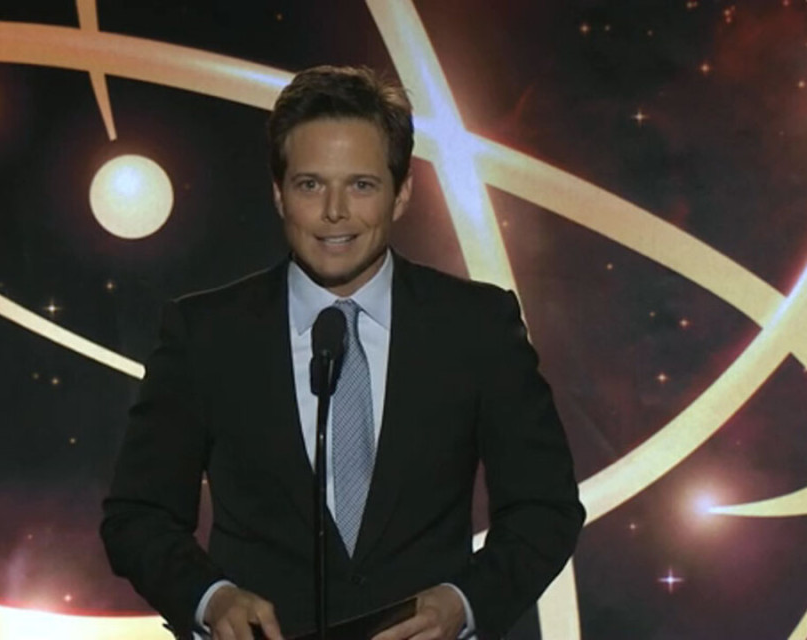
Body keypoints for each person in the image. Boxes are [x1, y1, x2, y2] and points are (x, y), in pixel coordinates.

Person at [100, 65, 585, 640]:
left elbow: (544, 507)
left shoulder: (476, 327)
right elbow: (139, 516)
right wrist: (211, 599)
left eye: (361, 185)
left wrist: (465, 602)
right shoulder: (205, 335)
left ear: (401, 193)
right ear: (278, 193)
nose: (335, 211)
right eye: (310, 185)